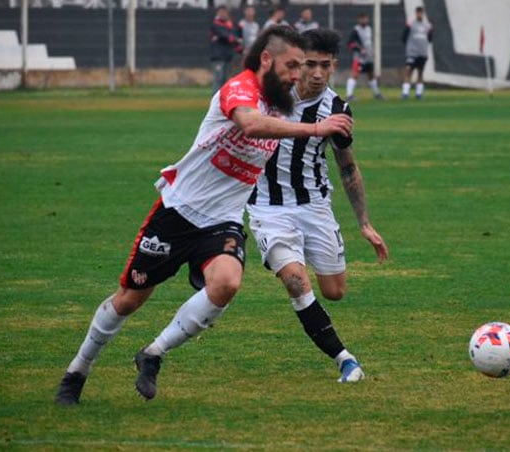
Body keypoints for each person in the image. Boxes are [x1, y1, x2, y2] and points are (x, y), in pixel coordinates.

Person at [54, 26, 354, 406]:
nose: (298, 75)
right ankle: (77, 371)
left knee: (227, 283)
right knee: (129, 299)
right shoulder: (240, 88)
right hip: (178, 212)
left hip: (222, 220)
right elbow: (249, 122)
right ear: (266, 60)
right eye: (292, 65)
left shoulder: (283, 104)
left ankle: (152, 354)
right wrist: (314, 128)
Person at [246, 28, 389, 383]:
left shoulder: (337, 109)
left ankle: (298, 254)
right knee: (296, 281)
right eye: (310, 64)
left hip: (314, 205)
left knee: (334, 291)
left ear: (334, 66)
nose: (317, 73)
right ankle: (345, 359)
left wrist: (364, 222)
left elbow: (347, 166)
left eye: (325, 65)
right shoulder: (268, 96)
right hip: (268, 207)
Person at [346, 12, 383, 101]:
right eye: (362, 19)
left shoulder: (369, 29)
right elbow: (350, 43)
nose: (364, 20)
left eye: (366, 18)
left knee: (371, 75)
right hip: (359, 58)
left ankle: (376, 93)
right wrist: (360, 50)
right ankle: (349, 95)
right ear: (359, 20)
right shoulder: (356, 30)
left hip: (368, 57)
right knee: (355, 75)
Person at [401, 6, 433, 100]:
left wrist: (431, 31)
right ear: (416, 13)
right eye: (418, 13)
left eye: (421, 12)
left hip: (422, 53)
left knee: (420, 73)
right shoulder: (411, 24)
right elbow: (403, 38)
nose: (419, 14)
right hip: (412, 53)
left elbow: (430, 40)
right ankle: (405, 93)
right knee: (408, 71)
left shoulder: (426, 25)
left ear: (423, 13)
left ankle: (419, 93)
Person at [210, 6, 242, 93]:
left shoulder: (231, 25)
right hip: (218, 57)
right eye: (221, 12)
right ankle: (215, 103)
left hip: (228, 57)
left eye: (224, 12)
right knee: (218, 79)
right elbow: (225, 35)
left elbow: (236, 35)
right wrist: (235, 39)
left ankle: (224, 101)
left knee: (226, 80)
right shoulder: (215, 25)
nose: (223, 14)